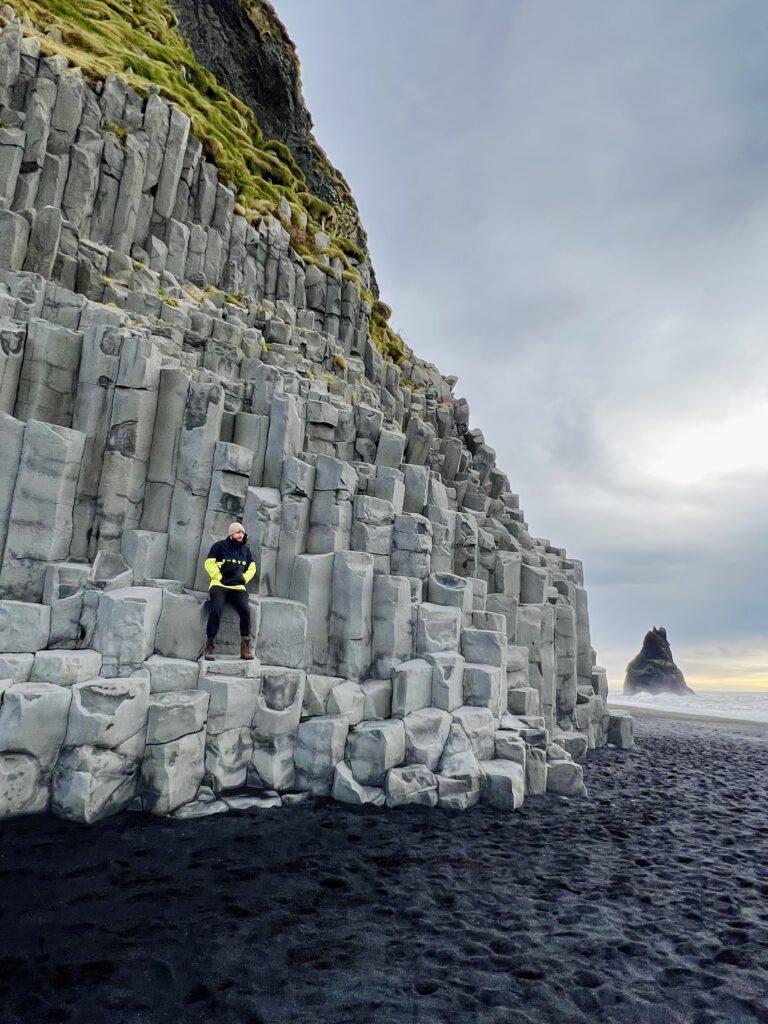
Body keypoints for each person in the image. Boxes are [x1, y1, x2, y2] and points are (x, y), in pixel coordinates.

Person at [203, 522, 257, 661]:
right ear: (231, 533)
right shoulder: (219, 546)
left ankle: (245, 647)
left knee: (245, 611)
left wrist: (243, 579)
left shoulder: (246, 550)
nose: (241, 535)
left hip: (238, 587)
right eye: (238, 532)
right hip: (219, 585)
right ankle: (210, 645)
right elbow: (209, 563)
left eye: (242, 533)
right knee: (216, 609)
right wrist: (219, 577)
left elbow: (252, 567)